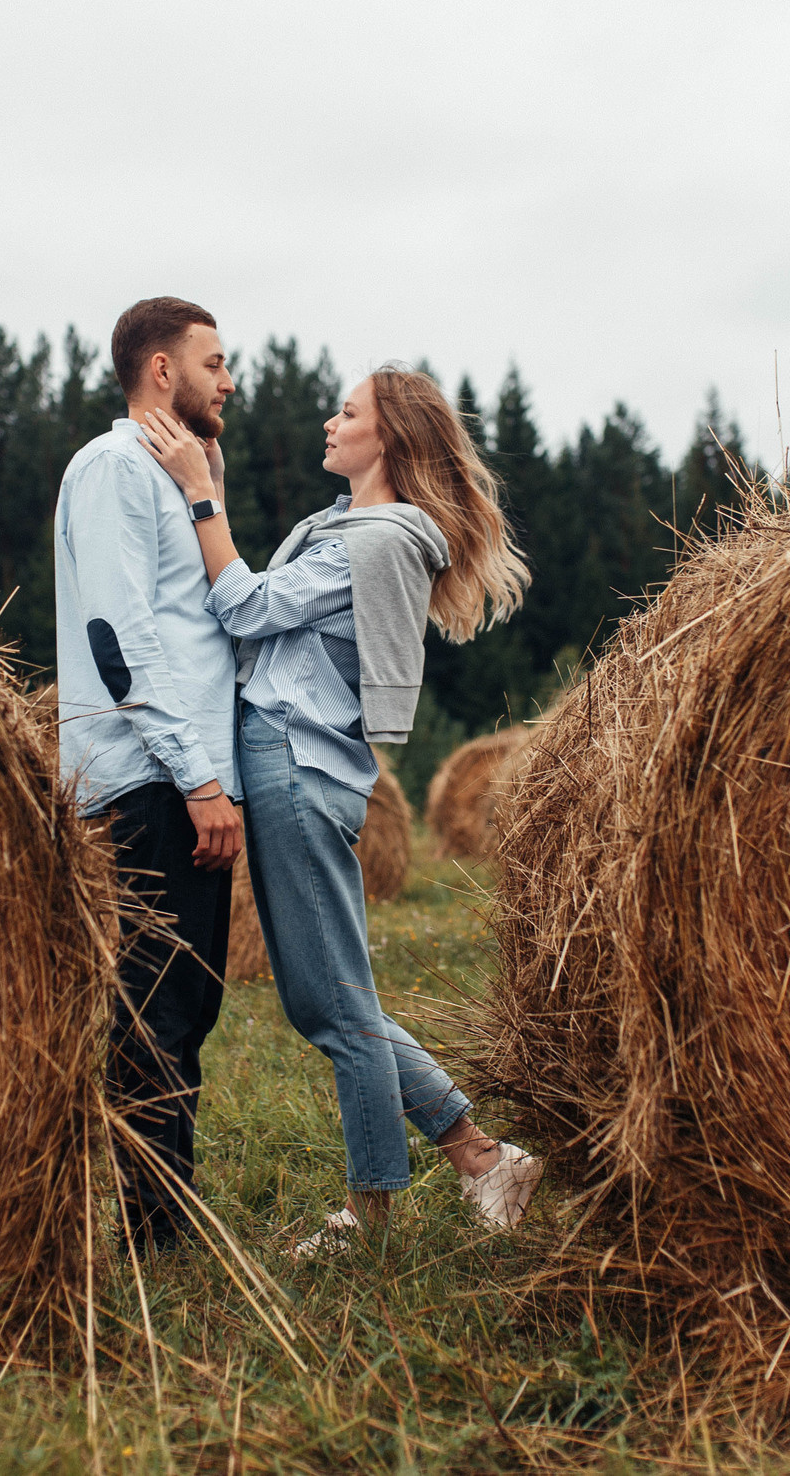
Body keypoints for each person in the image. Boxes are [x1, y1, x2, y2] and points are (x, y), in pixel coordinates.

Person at [135, 366, 544, 1255]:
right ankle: (481, 1157)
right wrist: (213, 493)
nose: (329, 421)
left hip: (295, 764)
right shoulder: (346, 530)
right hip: (296, 764)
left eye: (347, 411)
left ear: (387, 437)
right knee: (327, 999)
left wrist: (202, 497)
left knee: (339, 1009)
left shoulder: (379, 538)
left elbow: (246, 608)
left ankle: (373, 1219)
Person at [55, 296, 246, 1252]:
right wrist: (199, 781)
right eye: (215, 362)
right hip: (150, 779)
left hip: (186, 777)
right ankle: (152, 1235)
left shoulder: (175, 476)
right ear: (161, 371)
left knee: (189, 1004)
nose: (230, 381)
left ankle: (170, 1210)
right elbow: (118, 635)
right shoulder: (113, 467)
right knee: (153, 1007)